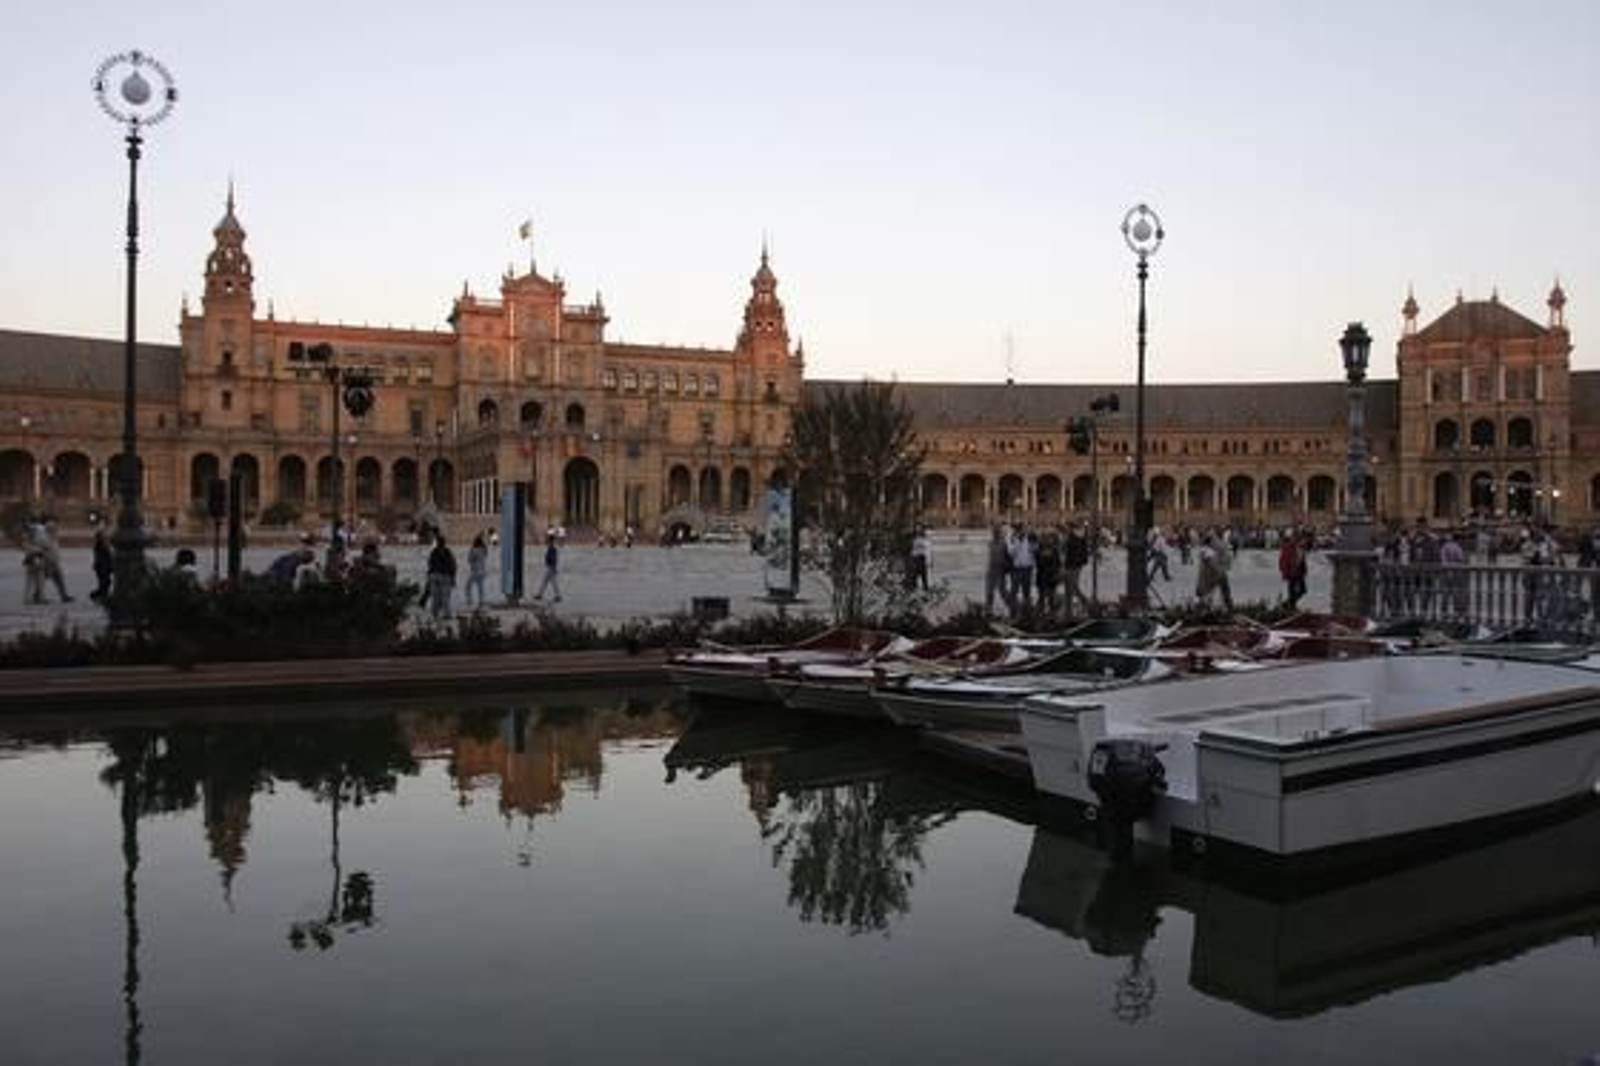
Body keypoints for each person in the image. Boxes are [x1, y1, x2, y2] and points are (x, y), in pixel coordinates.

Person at [426, 533, 457, 620]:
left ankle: (434, 613)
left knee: (435, 597)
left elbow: (430, 564)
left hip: (434, 576)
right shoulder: (447, 552)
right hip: (445, 576)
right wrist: (453, 577)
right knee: (445, 597)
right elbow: (453, 565)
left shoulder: (434, 552)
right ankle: (446, 613)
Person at [1061, 524, 1091, 616]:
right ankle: (1068, 610)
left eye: (1067, 528)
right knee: (1068, 588)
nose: (1066, 530)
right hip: (1069, 565)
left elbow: (1075, 552)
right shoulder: (1070, 538)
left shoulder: (1075, 538)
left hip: (1073, 565)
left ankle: (1086, 602)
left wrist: (1077, 562)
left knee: (1073, 586)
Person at [1278, 528, 1307, 610]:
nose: (1302, 539)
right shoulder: (1288, 547)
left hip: (1299, 572)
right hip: (1291, 572)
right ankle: (1290, 606)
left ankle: (1288, 604)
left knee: (1302, 590)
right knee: (1292, 591)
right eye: (1296, 537)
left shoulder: (1300, 547)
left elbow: (1302, 560)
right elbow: (1283, 560)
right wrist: (1285, 572)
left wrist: (1304, 570)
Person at [533, 532, 563, 603]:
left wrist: (553, 568)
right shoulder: (551, 548)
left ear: (550, 541)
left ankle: (556, 596)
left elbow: (553, 559)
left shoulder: (552, 549)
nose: (547, 542)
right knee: (548, 582)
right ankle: (541, 594)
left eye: (548, 541)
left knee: (551, 583)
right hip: (550, 567)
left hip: (550, 568)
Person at [465, 533, 489, 609]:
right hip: (482, 571)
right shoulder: (484, 550)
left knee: (468, 586)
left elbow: (469, 559)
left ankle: (469, 600)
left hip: (475, 571)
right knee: (481, 588)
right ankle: (481, 601)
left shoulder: (473, 550)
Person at [91, 527, 114, 602]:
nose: (106, 537)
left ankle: (99, 594)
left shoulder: (101, 545)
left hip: (102, 567)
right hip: (103, 568)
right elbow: (106, 557)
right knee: (105, 583)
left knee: (106, 582)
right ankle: (100, 595)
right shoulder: (102, 546)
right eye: (105, 536)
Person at [908, 525, 931, 591]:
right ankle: (913, 586)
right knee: (914, 574)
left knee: (923, 574)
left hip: (921, 557)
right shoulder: (912, 538)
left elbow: (928, 549)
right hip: (914, 557)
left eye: (919, 528)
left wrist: (929, 560)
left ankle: (925, 587)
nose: (918, 529)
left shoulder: (924, 538)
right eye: (917, 528)